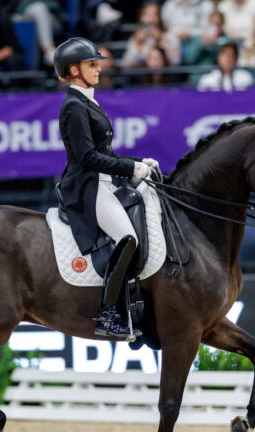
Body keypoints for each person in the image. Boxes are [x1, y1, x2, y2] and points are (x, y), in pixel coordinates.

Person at [53, 37, 158, 338]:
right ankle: (109, 313)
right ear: (74, 70)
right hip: (87, 186)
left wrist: (140, 162)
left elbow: (106, 153)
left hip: (103, 181)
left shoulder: (88, 100)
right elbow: (87, 157)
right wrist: (130, 168)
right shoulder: (74, 106)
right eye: (92, 64)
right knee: (128, 238)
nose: (99, 69)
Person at [121, 2, 181, 67]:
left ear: (159, 17)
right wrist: (138, 44)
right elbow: (127, 63)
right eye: (146, 14)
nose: (150, 18)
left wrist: (160, 40)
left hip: (165, 74)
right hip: (142, 75)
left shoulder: (169, 36)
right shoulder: (137, 38)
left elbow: (176, 60)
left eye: (154, 14)